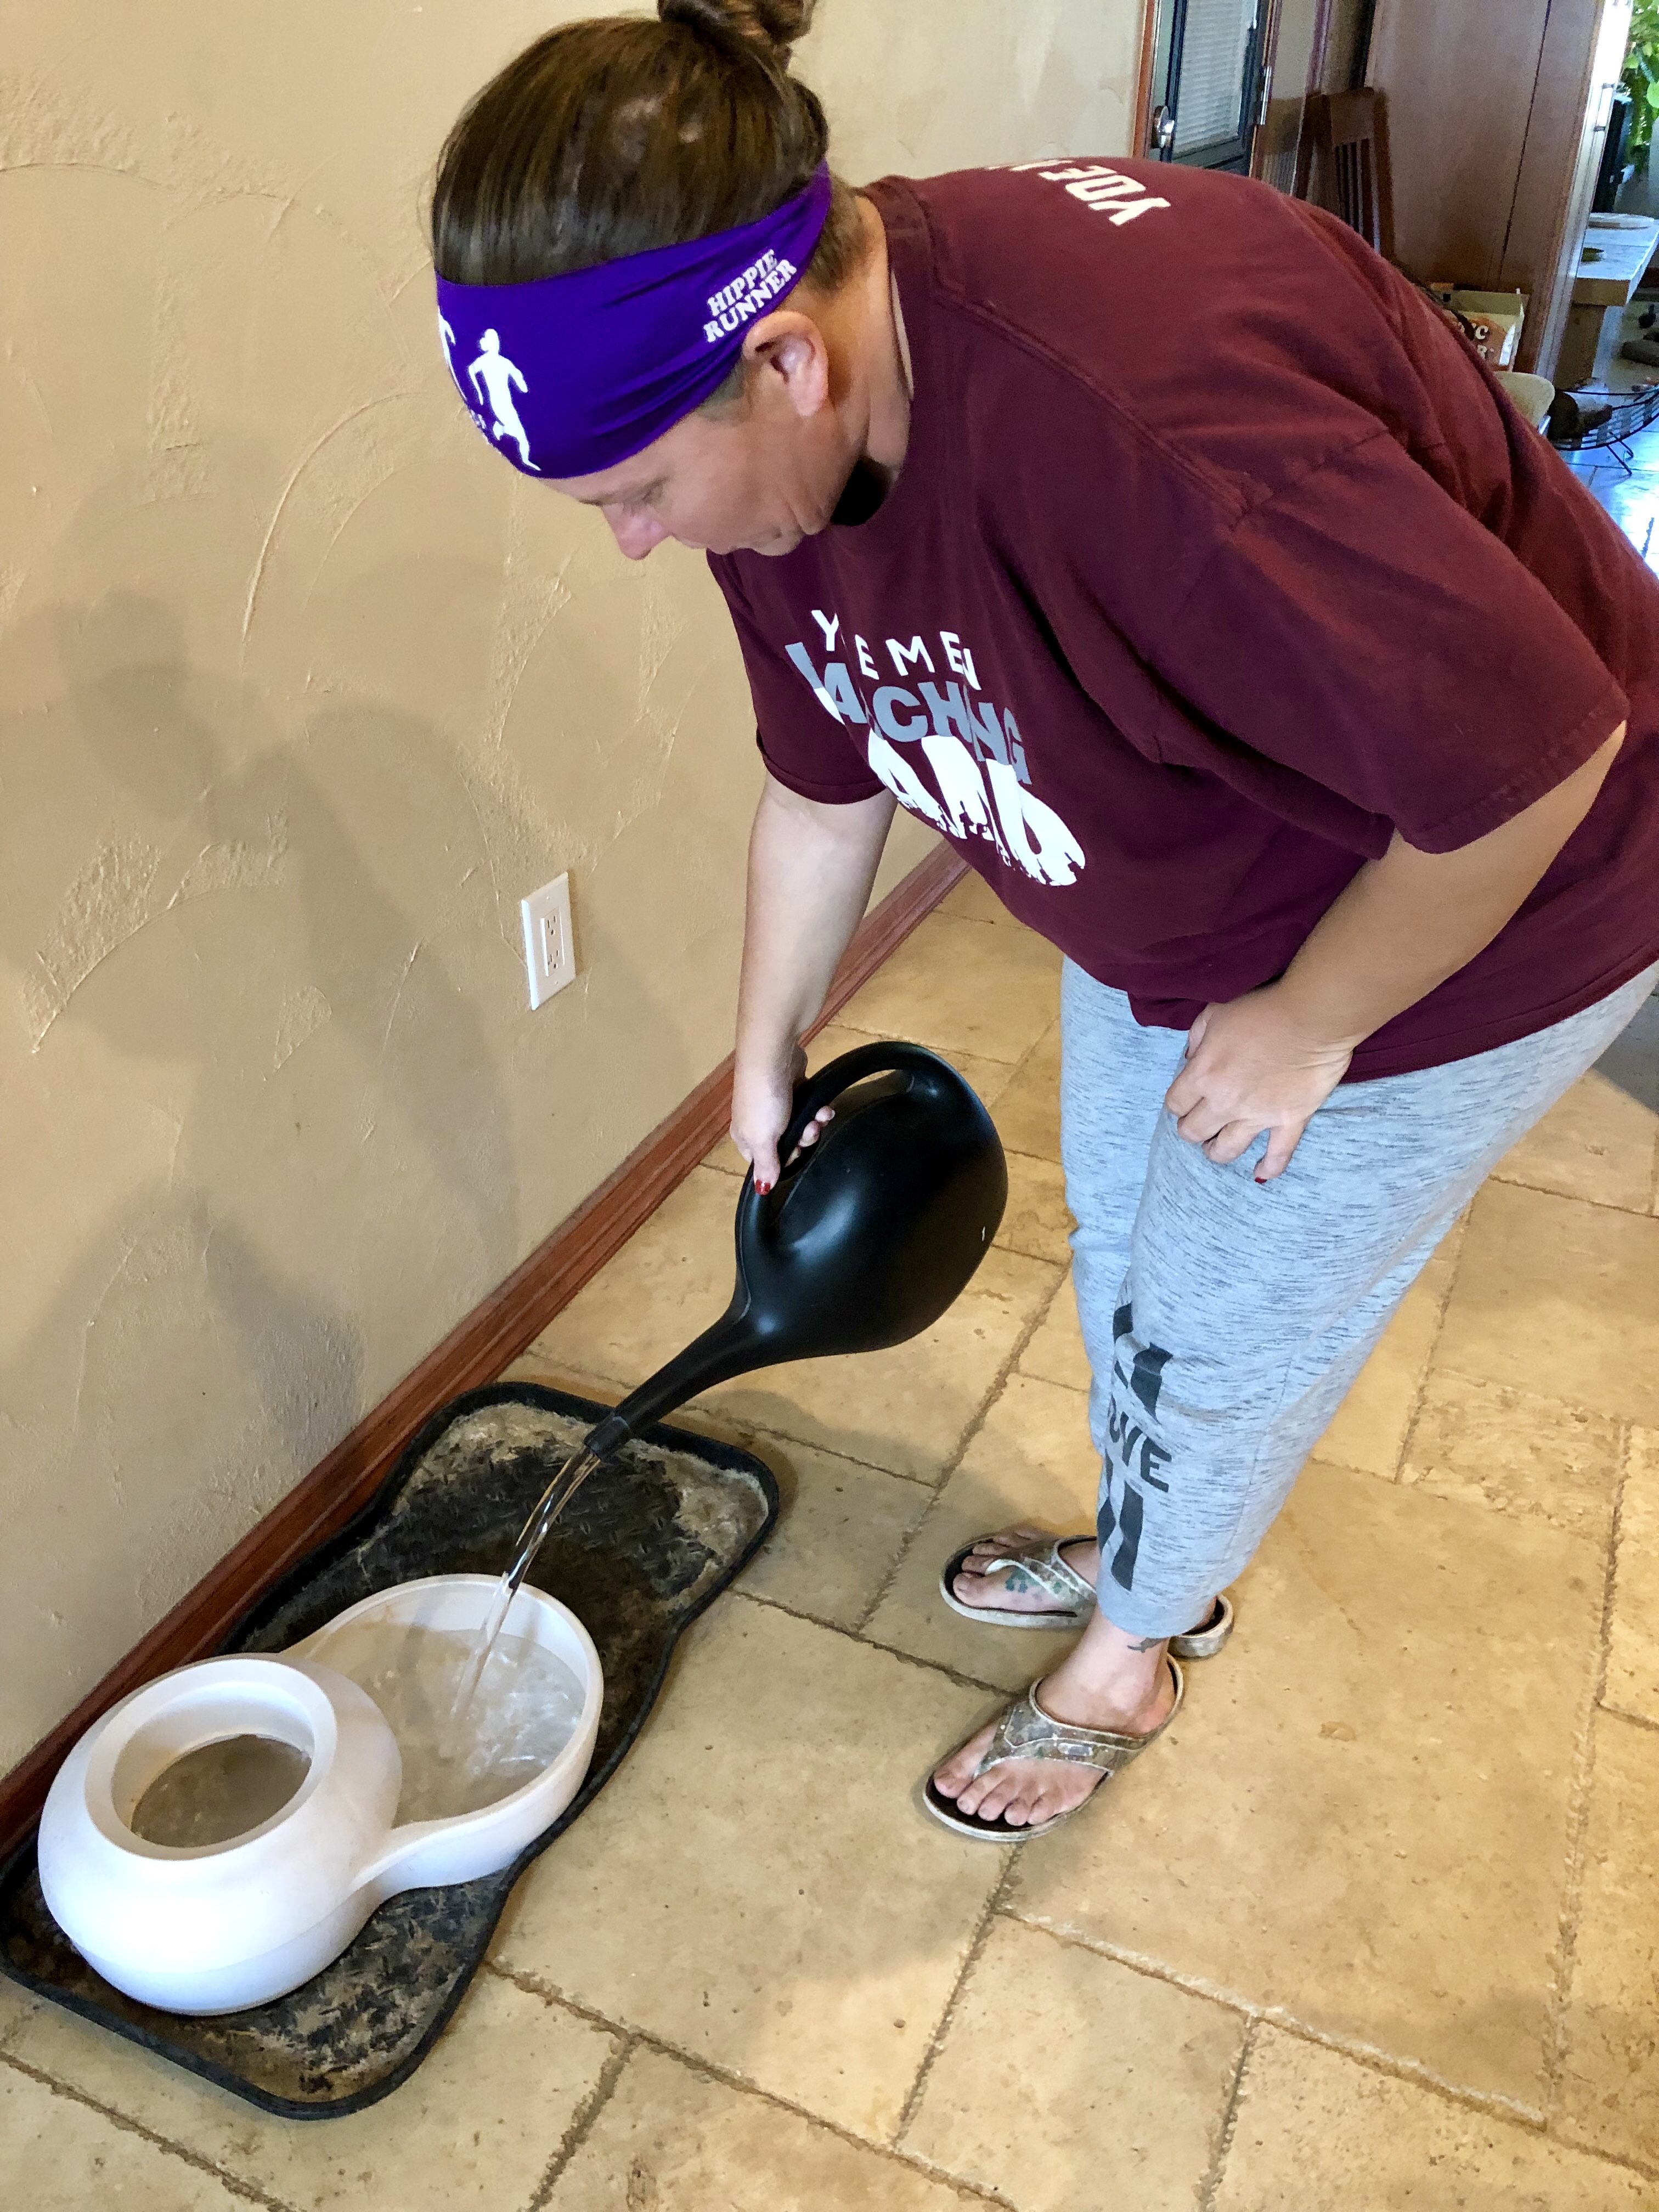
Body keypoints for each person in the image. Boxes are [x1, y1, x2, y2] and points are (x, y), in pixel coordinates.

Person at [430, 0, 1659, 1840]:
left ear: (785, 363)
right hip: (1217, 867)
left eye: (637, 492)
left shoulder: (1156, 429)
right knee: (1131, 1247)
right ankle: (1152, 1535)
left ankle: (1136, 1651)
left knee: (1217, 1329)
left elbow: (1536, 764)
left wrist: (1312, 1019)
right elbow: (826, 778)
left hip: (1469, 904)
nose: (631, 541)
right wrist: (762, 1049)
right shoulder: (796, 451)